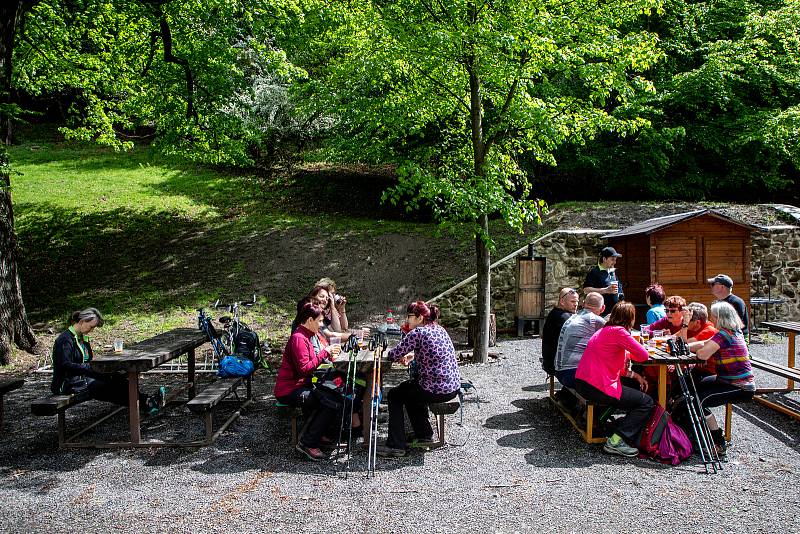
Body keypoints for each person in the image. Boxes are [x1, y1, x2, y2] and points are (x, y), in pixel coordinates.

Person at [377, 301, 460, 457]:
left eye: (409, 317)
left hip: (436, 389)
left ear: (419, 317)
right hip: (452, 386)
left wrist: (399, 354)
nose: (408, 321)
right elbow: (432, 353)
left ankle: (396, 445)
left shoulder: (418, 332)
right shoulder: (439, 329)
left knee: (395, 395)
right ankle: (424, 434)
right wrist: (412, 355)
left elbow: (393, 354)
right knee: (409, 390)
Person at [51, 308, 165, 414]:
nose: (91, 330)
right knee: (105, 387)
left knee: (117, 377)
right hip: (67, 384)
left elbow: (89, 360)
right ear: (82, 321)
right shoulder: (65, 340)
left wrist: (96, 368)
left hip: (83, 377)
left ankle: (145, 400)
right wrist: (89, 368)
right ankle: (146, 403)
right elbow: (64, 365)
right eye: (91, 327)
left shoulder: (82, 338)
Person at [574, 302, 652, 458]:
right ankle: (617, 440)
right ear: (631, 318)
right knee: (646, 402)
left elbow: (616, 362)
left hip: (583, 382)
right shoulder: (620, 332)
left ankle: (605, 423)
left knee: (631, 390)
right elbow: (643, 356)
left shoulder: (605, 330)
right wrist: (636, 345)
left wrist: (634, 375)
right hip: (598, 386)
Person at [275, 303, 343, 461]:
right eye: (319, 321)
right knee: (328, 401)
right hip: (289, 390)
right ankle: (308, 443)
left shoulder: (307, 335)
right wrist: (324, 354)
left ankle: (317, 434)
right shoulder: (299, 338)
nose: (321, 325)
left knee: (333, 393)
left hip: (301, 385)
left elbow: (312, 362)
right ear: (310, 320)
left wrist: (328, 355)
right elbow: (304, 369)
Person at [687, 301, 755, 457]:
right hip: (727, 379)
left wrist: (698, 351)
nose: (712, 319)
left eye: (714, 316)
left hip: (739, 386)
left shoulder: (724, 334)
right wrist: (685, 347)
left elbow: (703, 353)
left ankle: (718, 442)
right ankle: (696, 432)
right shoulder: (733, 331)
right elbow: (704, 343)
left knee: (699, 401)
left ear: (720, 318)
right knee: (694, 385)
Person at [554, 292, 605, 389]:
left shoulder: (575, 316)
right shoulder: (595, 320)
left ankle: (566, 397)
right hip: (571, 374)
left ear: (584, 303)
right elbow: (617, 336)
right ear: (603, 308)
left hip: (559, 370)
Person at [541, 288, 579, 376]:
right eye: (572, 301)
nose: (576, 304)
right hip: (555, 365)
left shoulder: (556, 312)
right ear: (562, 301)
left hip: (551, 361)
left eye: (577, 301)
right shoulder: (563, 317)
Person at [708, 274, 750, 340]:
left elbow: (734, 326)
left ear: (722, 287)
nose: (711, 286)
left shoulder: (736, 302)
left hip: (737, 337)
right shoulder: (719, 302)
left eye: (713, 284)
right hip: (724, 335)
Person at [583, 246, 623, 315]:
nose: (615, 262)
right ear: (604, 259)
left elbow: (619, 289)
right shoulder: (594, 272)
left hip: (614, 312)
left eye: (615, 260)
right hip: (601, 314)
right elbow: (586, 290)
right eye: (612, 259)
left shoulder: (612, 272)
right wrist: (605, 290)